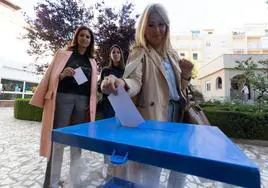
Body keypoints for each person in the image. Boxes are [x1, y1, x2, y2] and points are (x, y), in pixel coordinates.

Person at [101, 3, 193, 188]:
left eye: (161, 24)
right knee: (151, 172)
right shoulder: (139, 52)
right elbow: (134, 80)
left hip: (178, 118)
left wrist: (186, 75)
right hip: (155, 117)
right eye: (151, 24)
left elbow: (179, 90)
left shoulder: (173, 54)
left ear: (167, 26)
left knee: (179, 168)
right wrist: (122, 83)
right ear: (143, 27)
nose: (157, 30)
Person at [30, 26, 98, 188]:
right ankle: (51, 182)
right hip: (63, 98)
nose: (84, 38)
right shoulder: (63, 54)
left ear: (91, 41)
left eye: (88, 36)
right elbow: (52, 76)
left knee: (77, 141)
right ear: (76, 37)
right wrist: (62, 75)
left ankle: (75, 180)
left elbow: (92, 86)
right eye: (82, 35)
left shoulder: (92, 61)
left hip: (82, 102)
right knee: (58, 140)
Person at [99, 44, 125, 118]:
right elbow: (99, 87)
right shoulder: (105, 70)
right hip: (108, 103)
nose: (116, 54)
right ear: (110, 55)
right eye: (113, 52)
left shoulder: (125, 70)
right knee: (109, 126)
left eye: (118, 52)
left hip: (121, 103)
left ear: (121, 55)